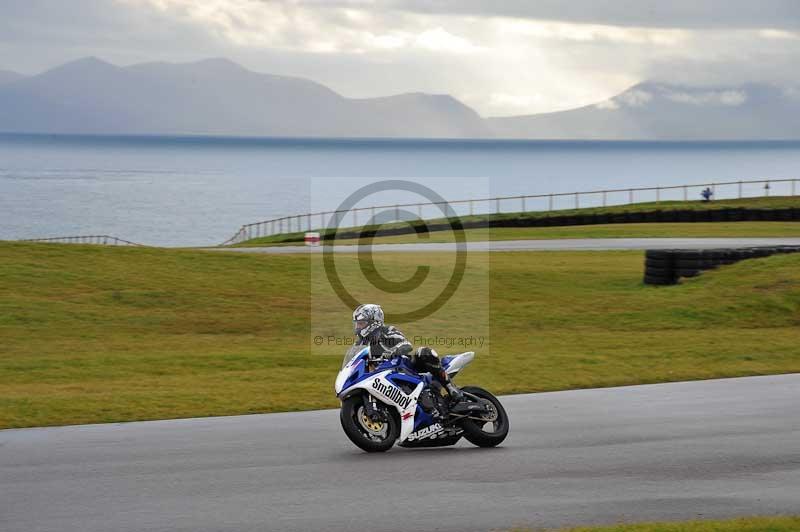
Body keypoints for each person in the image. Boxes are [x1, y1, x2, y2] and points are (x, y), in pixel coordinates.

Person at [352, 303, 468, 413]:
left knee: (424, 352)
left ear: (374, 322)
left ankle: (451, 388)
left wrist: (392, 351)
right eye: (357, 324)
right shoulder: (362, 344)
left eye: (361, 323)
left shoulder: (387, 331)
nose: (358, 327)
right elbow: (357, 361)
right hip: (384, 378)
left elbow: (406, 345)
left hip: (405, 368)